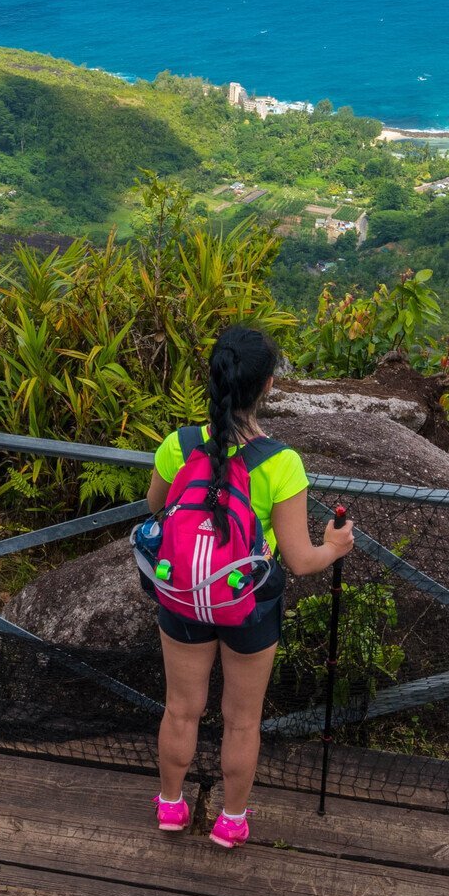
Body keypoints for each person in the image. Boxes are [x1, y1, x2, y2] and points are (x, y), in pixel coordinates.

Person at [141, 324, 354, 848]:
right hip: (250, 607)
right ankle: (231, 820)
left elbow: (155, 508)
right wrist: (335, 547)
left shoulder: (179, 445)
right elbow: (301, 561)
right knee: (241, 722)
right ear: (268, 386)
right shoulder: (281, 463)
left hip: (185, 596)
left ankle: (171, 807)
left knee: (181, 708)